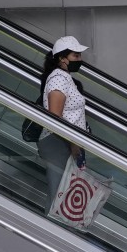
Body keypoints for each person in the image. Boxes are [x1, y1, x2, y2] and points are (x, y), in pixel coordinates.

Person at [38, 36, 89, 207]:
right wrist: (73, 143)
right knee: (58, 196)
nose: (80, 60)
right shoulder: (58, 79)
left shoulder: (64, 78)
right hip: (60, 143)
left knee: (66, 196)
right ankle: (52, 232)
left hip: (65, 143)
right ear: (62, 57)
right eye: (76, 56)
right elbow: (55, 116)